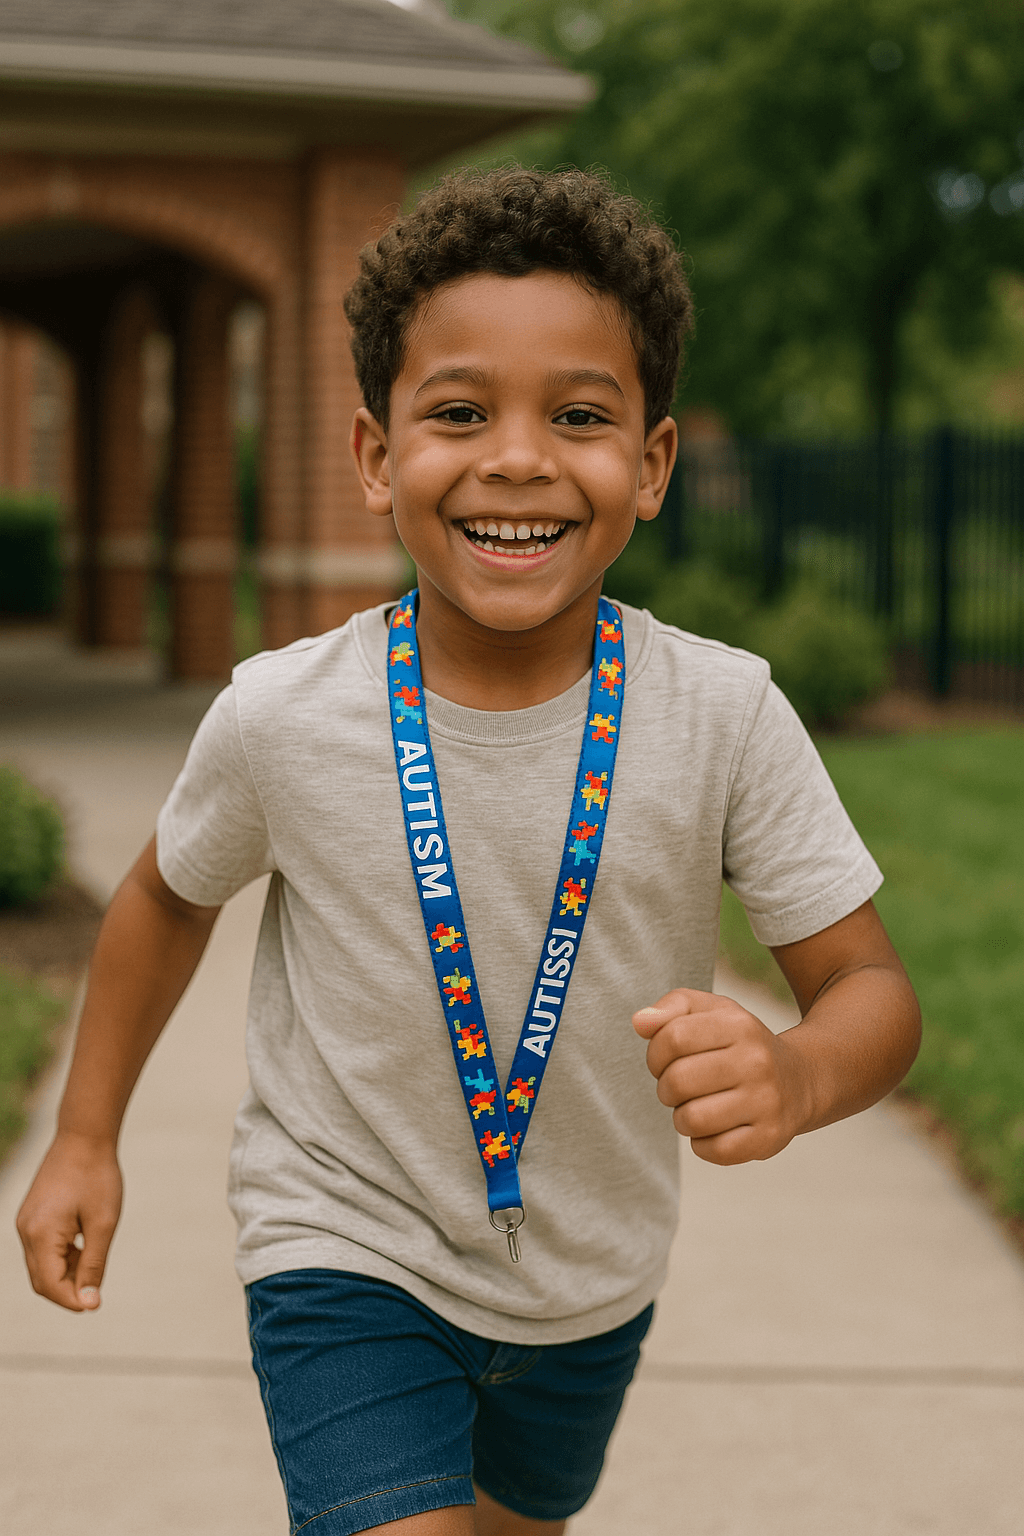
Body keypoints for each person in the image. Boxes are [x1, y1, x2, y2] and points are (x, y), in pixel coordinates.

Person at [17, 167, 920, 1536]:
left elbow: (876, 993)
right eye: (458, 413)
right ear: (378, 459)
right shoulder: (283, 714)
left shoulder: (722, 715)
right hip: (342, 1246)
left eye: (578, 415)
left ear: (654, 464)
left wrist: (797, 1071)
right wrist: (86, 1135)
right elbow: (162, 893)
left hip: (589, 1282)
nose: (515, 457)